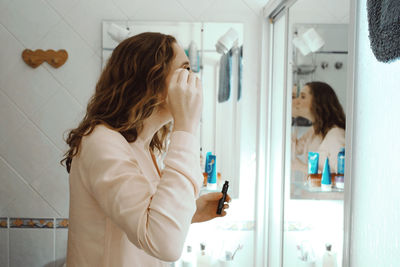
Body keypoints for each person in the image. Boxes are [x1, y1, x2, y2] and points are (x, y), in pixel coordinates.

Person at [61, 32, 230, 266]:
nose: (192, 80)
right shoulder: (103, 143)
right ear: (151, 79)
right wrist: (186, 126)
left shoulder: (144, 147)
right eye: (185, 70)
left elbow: (143, 221)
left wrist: (190, 212)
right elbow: (165, 244)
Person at [292, 81, 346, 175]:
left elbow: (342, 178)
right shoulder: (313, 131)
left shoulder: (336, 135)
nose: (296, 101)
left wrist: (302, 167)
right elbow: (294, 150)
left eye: (303, 97)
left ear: (318, 102)